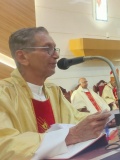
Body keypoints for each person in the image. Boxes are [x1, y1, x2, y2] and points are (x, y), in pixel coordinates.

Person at [0, 27, 110, 159]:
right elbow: (5, 144)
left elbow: (73, 118)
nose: (56, 55)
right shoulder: (4, 93)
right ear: (22, 56)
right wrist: (69, 136)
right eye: (47, 49)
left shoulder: (53, 91)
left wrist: (101, 121)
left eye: (55, 49)